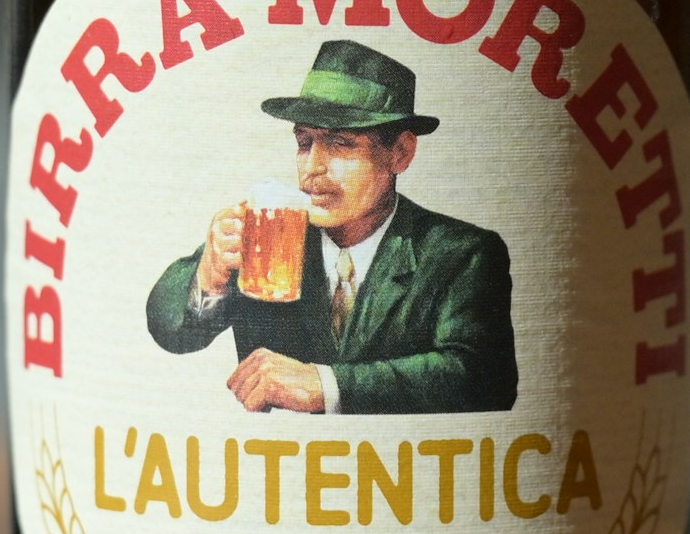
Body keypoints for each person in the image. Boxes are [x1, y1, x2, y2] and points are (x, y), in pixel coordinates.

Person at [146, 40, 519, 415]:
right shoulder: (270, 233)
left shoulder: (460, 253)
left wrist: (326, 386)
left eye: (341, 144)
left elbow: (484, 377)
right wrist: (207, 278)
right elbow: (171, 333)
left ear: (400, 153)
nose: (313, 167)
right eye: (304, 142)